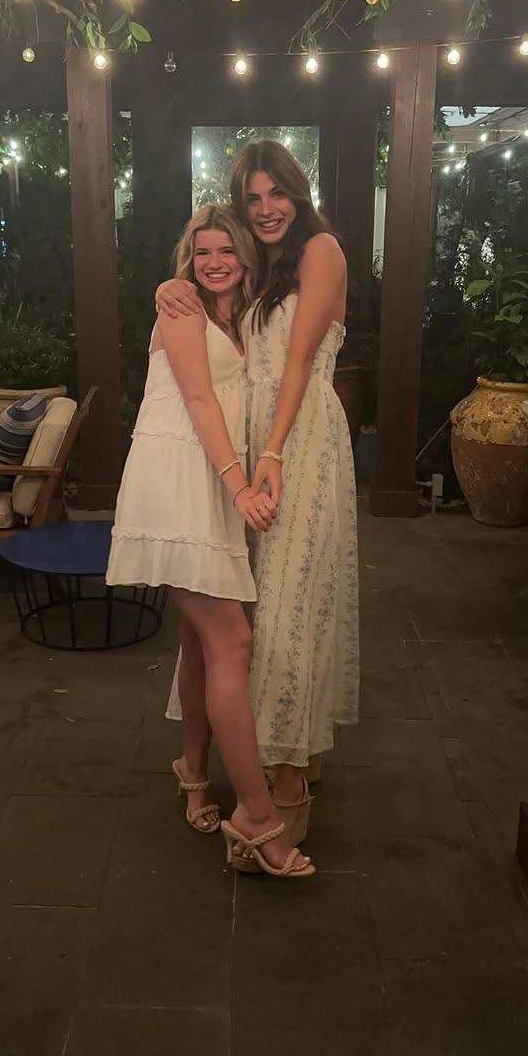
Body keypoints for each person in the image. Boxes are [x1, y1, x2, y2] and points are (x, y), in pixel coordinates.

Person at [157, 141, 359, 841]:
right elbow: (206, 311)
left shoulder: (321, 250)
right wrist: (167, 289)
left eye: (277, 194)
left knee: (290, 607)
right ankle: (263, 755)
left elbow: (298, 361)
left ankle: (289, 772)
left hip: (299, 441)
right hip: (247, 451)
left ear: (298, 193)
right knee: (250, 610)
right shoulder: (258, 268)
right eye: (253, 198)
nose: (267, 208)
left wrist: (271, 450)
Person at [107, 202, 315, 880]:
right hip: (181, 479)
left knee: (201, 640)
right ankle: (257, 814)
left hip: (209, 477)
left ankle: (193, 772)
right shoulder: (182, 307)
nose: (214, 262)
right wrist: (241, 489)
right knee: (233, 641)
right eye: (202, 253)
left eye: (226, 250)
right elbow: (198, 401)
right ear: (187, 260)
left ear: (245, 257)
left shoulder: (240, 312)